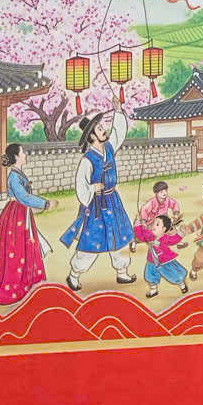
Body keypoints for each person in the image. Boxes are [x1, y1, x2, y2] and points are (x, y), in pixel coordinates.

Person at [58, 109, 137, 291]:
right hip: (96, 206)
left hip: (112, 200)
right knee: (92, 241)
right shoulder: (87, 160)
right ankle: (74, 275)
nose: (103, 130)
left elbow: (119, 133)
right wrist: (93, 188)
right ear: (92, 136)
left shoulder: (109, 147)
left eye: (102, 128)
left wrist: (118, 111)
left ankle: (122, 272)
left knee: (119, 236)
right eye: (99, 129)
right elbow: (81, 184)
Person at [0, 142, 51, 303]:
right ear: (16, 156)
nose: (25, 155)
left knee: (26, 245)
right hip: (16, 215)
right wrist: (45, 204)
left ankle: (29, 283)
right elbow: (24, 197)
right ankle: (14, 287)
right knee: (15, 248)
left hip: (22, 213)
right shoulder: (14, 177)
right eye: (23, 152)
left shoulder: (17, 174)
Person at [131, 212, 188, 300]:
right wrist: (137, 222)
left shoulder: (165, 238)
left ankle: (182, 284)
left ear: (164, 229)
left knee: (174, 275)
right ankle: (153, 290)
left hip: (165, 262)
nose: (153, 226)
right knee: (149, 275)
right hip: (152, 261)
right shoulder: (149, 236)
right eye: (154, 223)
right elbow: (140, 235)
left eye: (157, 224)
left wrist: (181, 232)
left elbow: (174, 239)